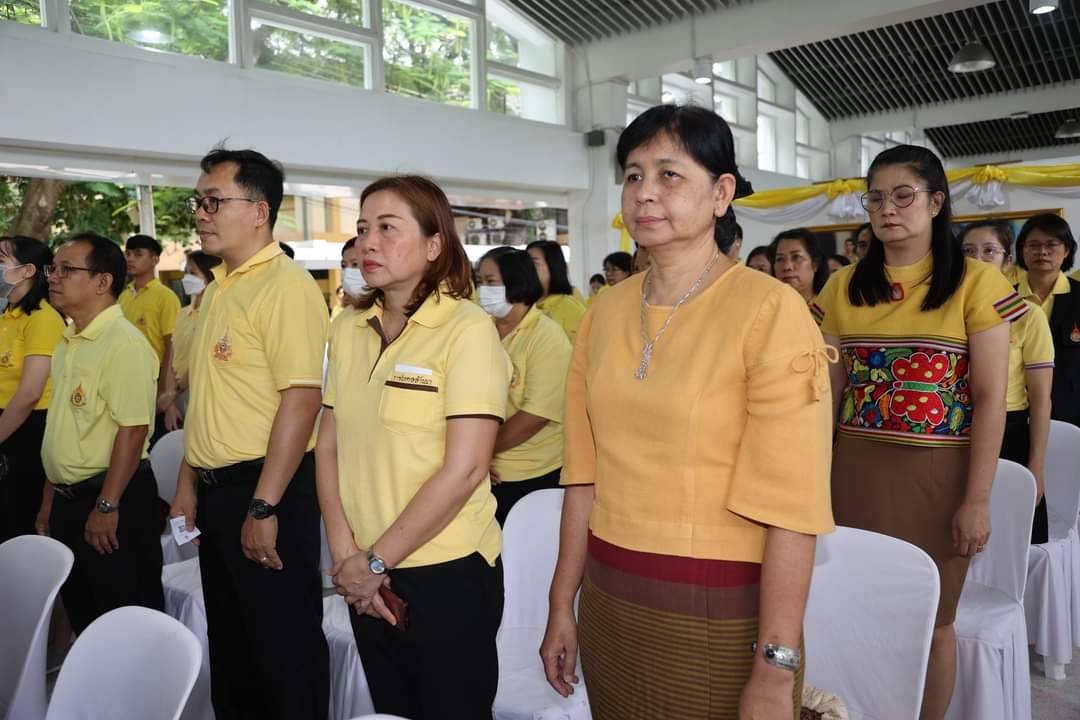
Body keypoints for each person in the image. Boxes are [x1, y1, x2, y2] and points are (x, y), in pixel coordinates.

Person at [541, 104, 834, 720]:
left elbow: (793, 503)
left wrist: (775, 668)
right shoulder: (605, 312)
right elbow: (582, 473)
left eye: (669, 175)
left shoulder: (769, 310)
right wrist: (562, 604)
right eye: (633, 174)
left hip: (721, 604)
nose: (645, 193)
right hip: (611, 596)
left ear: (721, 193)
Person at [814, 145, 1018, 720]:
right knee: (854, 611)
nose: (888, 209)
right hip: (851, 476)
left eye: (903, 195)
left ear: (936, 202)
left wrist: (977, 500)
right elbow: (826, 396)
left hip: (940, 483)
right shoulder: (841, 288)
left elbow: (988, 400)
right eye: (876, 197)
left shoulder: (976, 284)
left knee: (935, 622)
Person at [316, 175, 510, 719]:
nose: (367, 244)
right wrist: (346, 553)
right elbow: (328, 444)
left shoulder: (465, 329)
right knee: (392, 708)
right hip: (363, 570)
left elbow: (468, 469)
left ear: (433, 245)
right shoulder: (348, 328)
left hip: (444, 571)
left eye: (386, 228)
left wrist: (376, 560)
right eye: (361, 229)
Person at [169, 148, 330, 720]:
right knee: (234, 647)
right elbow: (209, 403)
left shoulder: (284, 287)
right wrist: (189, 481)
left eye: (215, 201)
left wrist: (264, 505)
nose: (202, 213)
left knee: (281, 651)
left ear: (259, 211)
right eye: (200, 201)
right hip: (218, 491)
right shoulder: (219, 287)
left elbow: (302, 398)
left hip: (267, 488)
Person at [42, 232, 164, 634]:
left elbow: (133, 430)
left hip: (113, 499)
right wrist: (48, 504)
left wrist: (107, 506)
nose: (54, 278)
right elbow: (62, 428)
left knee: (125, 620)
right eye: (52, 269)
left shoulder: (123, 343)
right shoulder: (69, 340)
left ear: (102, 281)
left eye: (67, 269)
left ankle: (146, 698)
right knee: (86, 615)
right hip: (70, 499)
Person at [960, 221, 1053, 543]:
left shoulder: (1027, 315)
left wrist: (1036, 466)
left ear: (1007, 261)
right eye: (968, 251)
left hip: (1009, 431)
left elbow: (1041, 400)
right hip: (955, 430)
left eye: (989, 251)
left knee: (1010, 542)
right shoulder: (949, 312)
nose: (978, 260)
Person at [476, 247, 572, 525]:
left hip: (531, 472)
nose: (483, 290)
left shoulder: (546, 337)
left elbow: (535, 415)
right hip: (483, 464)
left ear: (516, 281)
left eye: (491, 282)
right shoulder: (480, 329)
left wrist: (478, 451)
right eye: (480, 281)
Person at [0, 236, 65, 543]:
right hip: (5, 422)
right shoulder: (7, 314)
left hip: (28, 428)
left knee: (18, 522)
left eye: (1, 259)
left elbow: (29, 393)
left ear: (27, 270)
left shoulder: (42, 318)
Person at [1015, 213, 1080, 428]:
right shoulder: (1005, 298)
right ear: (1022, 251)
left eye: (1051, 244)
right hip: (1017, 409)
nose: (1042, 251)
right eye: (1033, 245)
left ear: (1067, 250)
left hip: (1072, 410)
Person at [120, 234, 181, 446]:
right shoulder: (123, 296)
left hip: (152, 385)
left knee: (149, 445)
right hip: (125, 384)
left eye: (138, 254)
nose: (130, 259)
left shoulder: (165, 297)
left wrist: (165, 392)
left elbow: (170, 347)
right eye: (128, 254)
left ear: (155, 259)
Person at [164, 250, 221, 432]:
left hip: (201, 392)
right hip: (177, 394)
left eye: (193, 273)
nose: (187, 278)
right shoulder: (182, 313)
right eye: (186, 272)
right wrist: (170, 402)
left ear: (210, 275)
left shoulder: (215, 313)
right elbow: (172, 357)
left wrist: (174, 392)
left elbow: (202, 357)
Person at [526, 240, 587, 345]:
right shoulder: (522, 306)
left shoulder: (570, 307)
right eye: (525, 264)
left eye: (534, 263)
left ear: (553, 266)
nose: (525, 269)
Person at [768, 228, 829, 305]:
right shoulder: (767, 308)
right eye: (780, 259)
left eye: (796, 257)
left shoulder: (829, 308)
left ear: (815, 264)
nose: (787, 267)